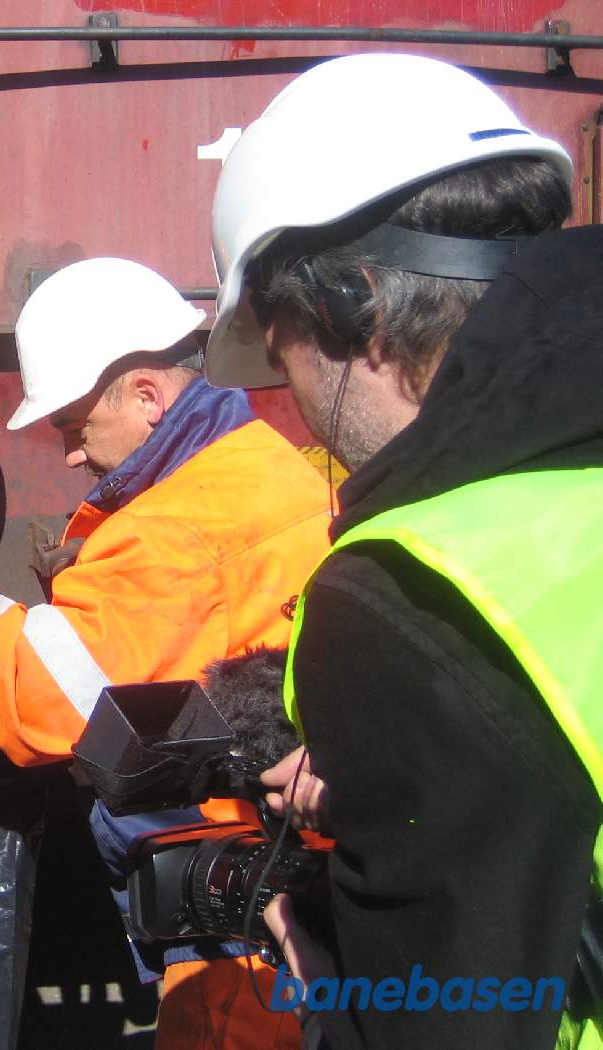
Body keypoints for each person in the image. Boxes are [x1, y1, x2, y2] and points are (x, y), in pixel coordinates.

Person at [204, 52, 603, 1049]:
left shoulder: (407, 592)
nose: (287, 396)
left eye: (275, 347)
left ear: (351, 308)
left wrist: (326, 975)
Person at [0, 256, 331, 1047]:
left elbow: (50, 696)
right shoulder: (268, 467)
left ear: (146, 396)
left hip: (245, 908)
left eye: (75, 428)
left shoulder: (177, 530)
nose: (72, 455)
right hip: (294, 857)